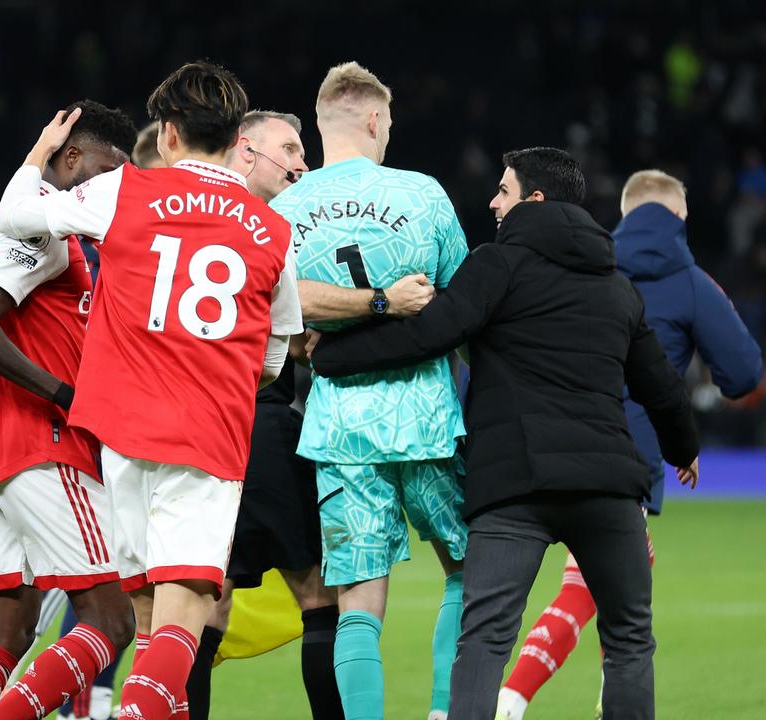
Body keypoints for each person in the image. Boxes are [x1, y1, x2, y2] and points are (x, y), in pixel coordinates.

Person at [309, 147, 701, 720]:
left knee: (486, 640)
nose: (493, 201)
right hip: (607, 487)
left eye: (504, 190)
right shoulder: (617, 286)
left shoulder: (498, 266)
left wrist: (333, 356)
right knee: (629, 640)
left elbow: (429, 335)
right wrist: (683, 448)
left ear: (533, 200)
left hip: (513, 489)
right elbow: (661, 386)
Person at [0, 61, 303, 720]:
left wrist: (40, 155)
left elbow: (17, 217)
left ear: (167, 135)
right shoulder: (272, 230)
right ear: (237, 141)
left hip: (122, 439)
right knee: (181, 623)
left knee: (143, 609)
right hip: (206, 437)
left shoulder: (126, 192)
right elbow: (276, 355)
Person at [497, 169, 763, 719]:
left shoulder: (585, 263)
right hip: (624, 459)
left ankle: (596, 697)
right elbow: (742, 371)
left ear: (624, 213)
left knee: (621, 573)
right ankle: (513, 695)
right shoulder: (689, 282)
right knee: (601, 584)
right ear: (679, 218)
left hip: (543, 442)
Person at [272, 62, 470, 720]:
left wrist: (314, 334)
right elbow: (465, 308)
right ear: (377, 119)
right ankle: (447, 712)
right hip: (426, 415)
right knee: (469, 572)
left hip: (338, 424)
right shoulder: (423, 195)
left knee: (358, 603)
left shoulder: (283, 211)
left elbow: (277, 315)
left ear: (323, 123)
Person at [0, 99, 138, 720]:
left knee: (11, 628)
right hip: (41, 447)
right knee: (111, 619)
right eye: (105, 169)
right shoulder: (39, 232)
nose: (111, 185)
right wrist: (66, 395)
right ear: (70, 157)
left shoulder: (32, 229)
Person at [181, 109, 343, 720]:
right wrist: (374, 304)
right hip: (261, 424)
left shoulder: (191, 219)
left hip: (196, 435)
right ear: (244, 151)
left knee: (207, 597)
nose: (303, 164)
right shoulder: (267, 229)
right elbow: (292, 339)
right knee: (317, 590)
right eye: (291, 149)